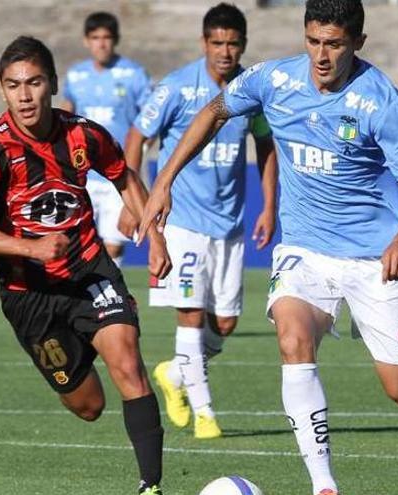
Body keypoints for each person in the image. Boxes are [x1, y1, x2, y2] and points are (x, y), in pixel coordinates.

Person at [136, 0, 398, 493]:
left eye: (335, 44)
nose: (321, 55)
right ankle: (324, 484)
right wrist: (163, 182)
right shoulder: (274, 81)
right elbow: (215, 111)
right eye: (313, 41)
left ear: (358, 43)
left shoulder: (383, 101)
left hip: (373, 258)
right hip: (304, 251)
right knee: (292, 340)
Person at [0, 36, 171, 495]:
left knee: (129, 363)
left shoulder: (83, 134)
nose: (25, 95)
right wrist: (31, 249)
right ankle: (85, 341)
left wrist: (154, 235)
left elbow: (123, 175)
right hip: (29, 296)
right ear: (2, 90)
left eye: (34, 83)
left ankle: (151, 487)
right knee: (88, 405)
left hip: (89, 271)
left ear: (52, 83)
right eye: (14, 86)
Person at [123, 3, 278, 440]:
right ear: (203, 43)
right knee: (189, 316)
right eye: (217, 43)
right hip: (183, 222)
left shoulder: (252, 92)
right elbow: (137, 137)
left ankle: (175, 373)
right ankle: (206, 414)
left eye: (232, 43)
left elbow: (266, 147)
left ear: (243, 45)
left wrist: (269, 206)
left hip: (228, 225)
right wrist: (129, 198)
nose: (225, 52)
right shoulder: (175, 88)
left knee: (223, 324)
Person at [63, 12, 151, 266]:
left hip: (117, 173)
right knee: (77, 244)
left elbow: (149, 124)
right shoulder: (76, 76)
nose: (101, 43)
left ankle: (109, 300)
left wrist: (138, 159)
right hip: (83, 173)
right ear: (86, 41)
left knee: (113, 244)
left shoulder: (134, 74)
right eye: (95, 38)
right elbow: (67, 112)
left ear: (115, 40)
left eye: (106, 38)